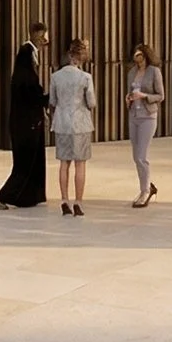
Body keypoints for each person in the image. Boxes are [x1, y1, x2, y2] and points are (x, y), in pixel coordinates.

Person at [0, 22, 49, 209]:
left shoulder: (28, 54)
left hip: (28, 117)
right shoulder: (26, 53)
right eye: (41, 36)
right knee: (25, 161)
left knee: (32, 159)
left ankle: (30, 196)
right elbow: (28, 88)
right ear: (35, 34)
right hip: (26, 120)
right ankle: (5, 195)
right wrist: (44, 99)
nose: (44, 40)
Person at [48, 38, 97, 217]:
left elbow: (52, 101)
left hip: (62, 123)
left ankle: (64, 200)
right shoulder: (85, 77)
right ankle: (78, 202)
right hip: (81, 123)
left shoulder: (55, 76)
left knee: (64, 163)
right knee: (80, 164)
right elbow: (91, 102)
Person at [125, 43, 164, 208]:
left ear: (145, 55)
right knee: (136, 156)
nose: (137, 58)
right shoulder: (132, 72)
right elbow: (130, 91)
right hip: (134, 115)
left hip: (148, 116)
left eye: (139, 55)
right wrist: (128, 98)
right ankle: (147, 185)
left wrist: (144, 96)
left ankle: (145, 191)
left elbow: (160, 96)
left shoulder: (154, 72)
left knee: (142, 156)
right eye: (135, 55)